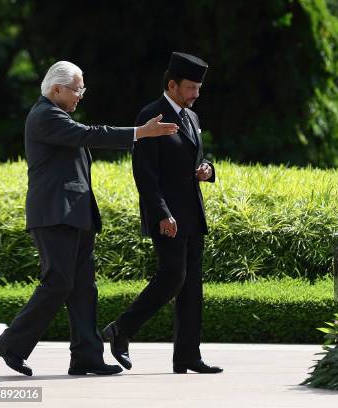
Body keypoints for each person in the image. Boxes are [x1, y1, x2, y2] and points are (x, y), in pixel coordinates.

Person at [0, 61, 178, 376]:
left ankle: (86, 357)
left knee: (83, 289)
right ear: (57, 89)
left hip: (75, 216)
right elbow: (89, 134)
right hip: (54, 216)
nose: (81, 95)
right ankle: (11, 344)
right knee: (59, 283)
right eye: (78, 89)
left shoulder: (57, 116)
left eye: (82, 89)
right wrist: (139, 133)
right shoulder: (45, 116)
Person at [103, 52, 222, 374]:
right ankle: (121, 329)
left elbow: (200, 156)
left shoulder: (193, 118)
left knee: (191, 286)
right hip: (166, 216)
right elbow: (145, 174)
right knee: (172, 276)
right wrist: (161, 213)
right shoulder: (151, 116)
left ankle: (187, 357)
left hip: (193, 214)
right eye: (191, 88)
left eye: (198, 88)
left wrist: (207, 169)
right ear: (172, 85)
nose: (196, 94)